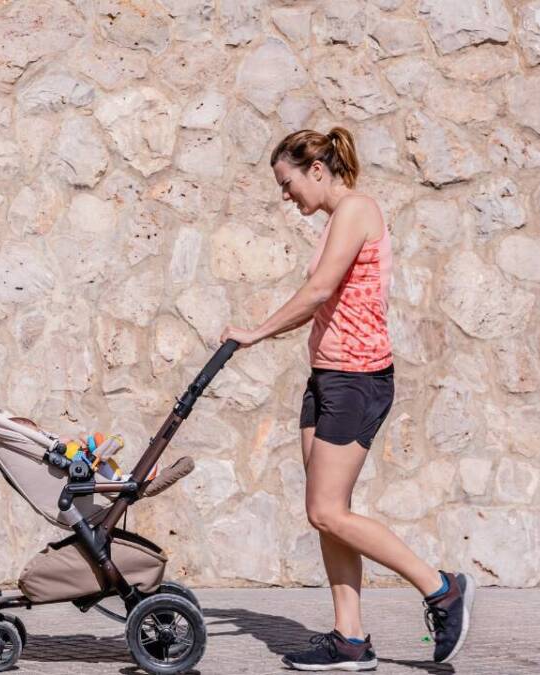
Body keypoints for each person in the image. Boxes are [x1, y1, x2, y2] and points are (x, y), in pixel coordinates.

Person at [220, 128, 475, 671]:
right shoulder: (338, 220)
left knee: (327, 509)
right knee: (326, 517)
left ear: (316, 170)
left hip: (356, 380)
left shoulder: (357, 208)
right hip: (328, 377)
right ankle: (349, 639)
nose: (286, 196)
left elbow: (318, 292)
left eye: (288, 183)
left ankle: (442, 588)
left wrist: (255, 332)